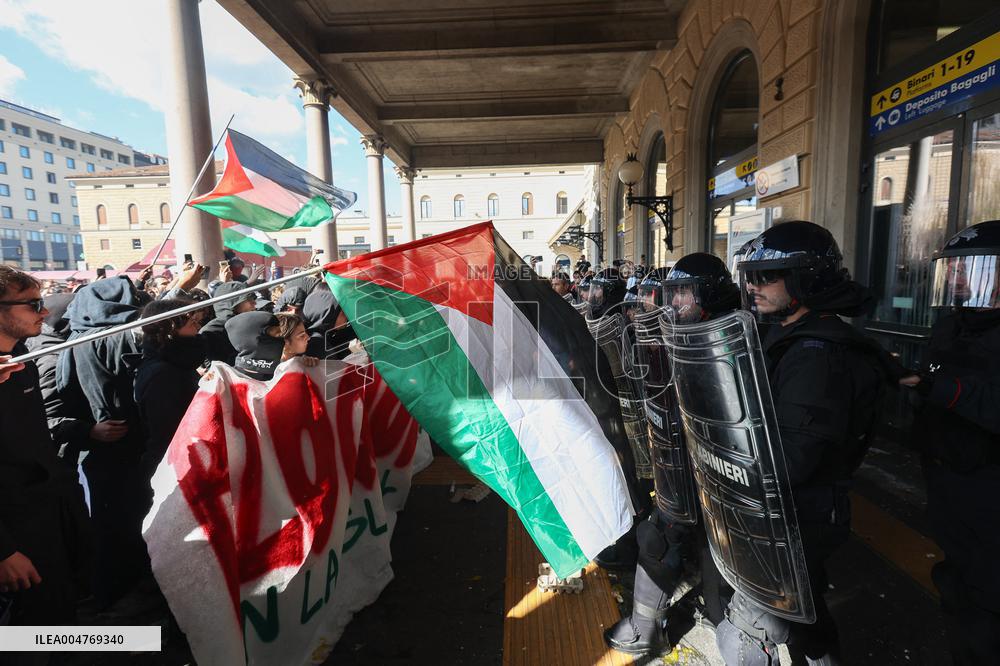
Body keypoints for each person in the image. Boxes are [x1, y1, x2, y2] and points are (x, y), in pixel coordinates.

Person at [716, 220, 892, 665]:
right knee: (806, 622)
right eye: (749, 277)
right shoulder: (784, 334)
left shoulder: (817, 354)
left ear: (804, 280)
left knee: (745, 633)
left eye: (765, 277)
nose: (752, 287)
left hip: (798, 513)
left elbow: (791, 460)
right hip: (789, 509)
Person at [605, 254, 739, 656]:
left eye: (684, 292)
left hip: (722, 475)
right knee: (662, 538)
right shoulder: (674, 336)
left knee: (720, 577)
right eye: (672, 293)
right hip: (681, 466)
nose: (674, 302)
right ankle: (647, 628)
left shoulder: (731, 339)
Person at [899, 220, 1000, 664]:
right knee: (957, 582)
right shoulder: (951, 325)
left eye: (969, 266)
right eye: (953, 266)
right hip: (947, 474)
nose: (957, 275)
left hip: (990, 484)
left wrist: (939, 386)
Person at [0, 266, 90, 636]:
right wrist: (3, 551)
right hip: (12, 538)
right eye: (32, 304)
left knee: (53, 625)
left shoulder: (23, 363)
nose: (46, 312)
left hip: (46, 519)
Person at [56, 276, 147, 610]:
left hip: (97, 446)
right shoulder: (121, 337)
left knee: (109, 523)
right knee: (129, 521)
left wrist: (86, 429)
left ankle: (110, 590)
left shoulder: (74, 339)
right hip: (128, 442)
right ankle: (124, 591)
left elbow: (64, 392)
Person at [134, 299, 208, 485]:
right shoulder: (162, 373)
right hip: (174, 469)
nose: (198, 328)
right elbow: (166, 433)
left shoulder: (177, 363)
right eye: (193, 322)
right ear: (170, 328)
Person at [199, 281, 257, 364]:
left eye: (253, 298)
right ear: (232, 302)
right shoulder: (211, 332)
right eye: (248, 299)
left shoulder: (253, 325)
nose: (254, 303)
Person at [225, 311, 287, 381]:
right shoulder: (226, 383)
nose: (284, 338)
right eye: (277, 333)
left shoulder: (288, 369)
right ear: (251, 341)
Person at [303, 290, 356, 361]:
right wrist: (356, 354)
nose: (347, 315)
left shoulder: (326, 334)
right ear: (329, 317)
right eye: (343, 313)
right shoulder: (318, 346)